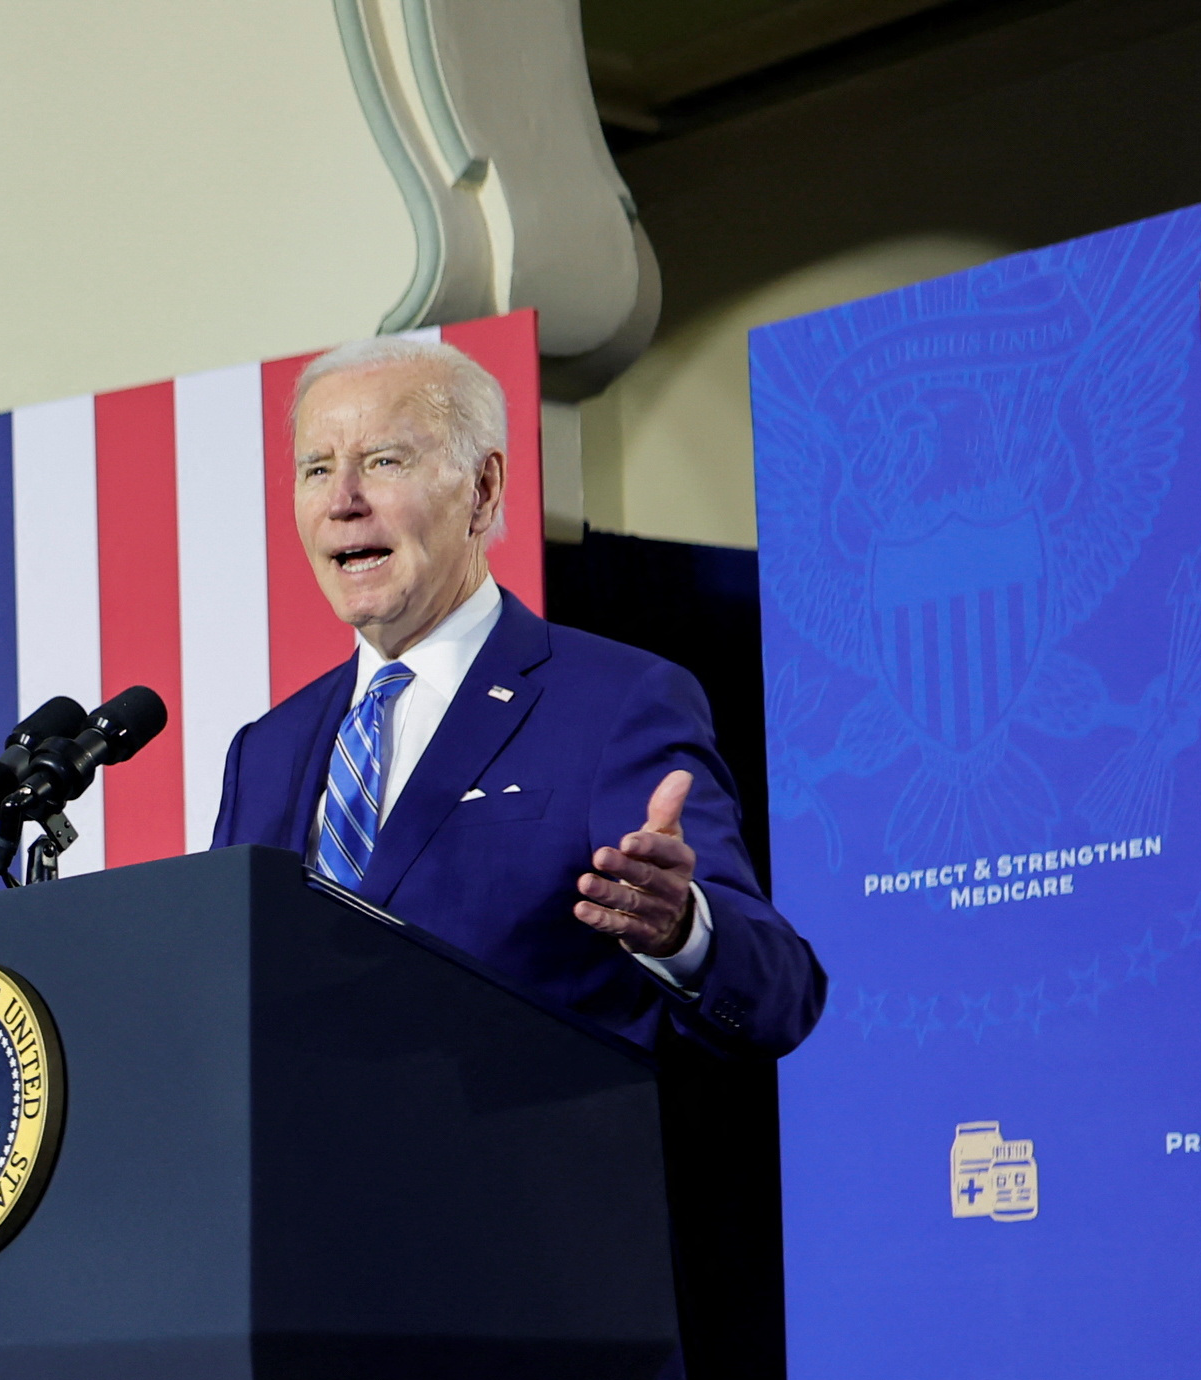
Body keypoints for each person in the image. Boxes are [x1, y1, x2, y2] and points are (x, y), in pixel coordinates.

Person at [201, 335, 823, 1062]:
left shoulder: (614, 703)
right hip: (296, 1168)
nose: (342, 501)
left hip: (516, 1162)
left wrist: (683, 929)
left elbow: (781, 994)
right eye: (315, 469)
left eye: (383, 462)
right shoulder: (266, 749)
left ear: (482, 488)